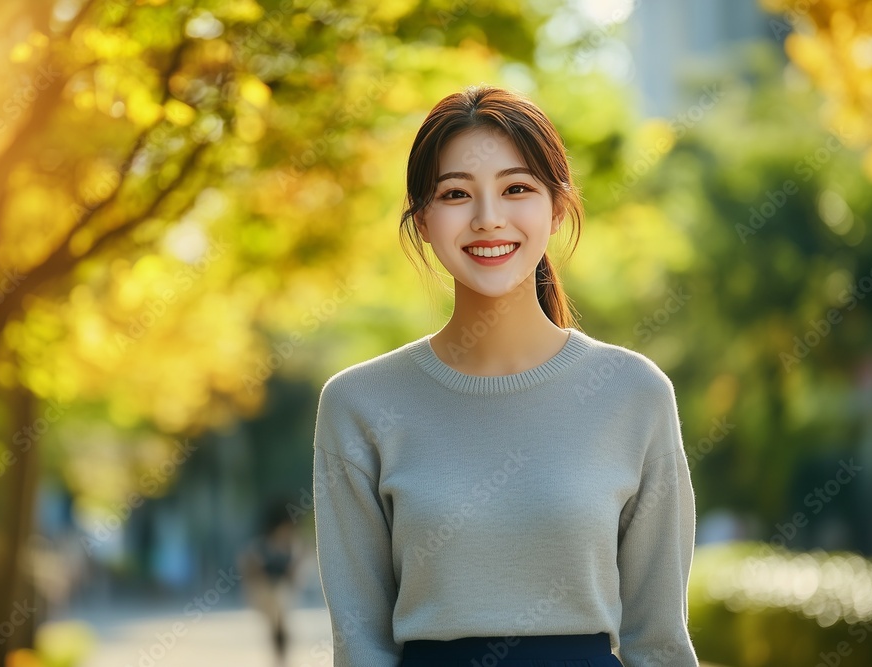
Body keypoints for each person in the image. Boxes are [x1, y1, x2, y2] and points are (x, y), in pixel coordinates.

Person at [311, 85, 699, 667]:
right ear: (421, 220)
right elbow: (360, 645)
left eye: (516, 188)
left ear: (558, 206)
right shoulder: (359, 405)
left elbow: (659, 640)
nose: (488, 219)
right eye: (455, 194)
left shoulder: (634, 393)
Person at [238, 498, 307, 667]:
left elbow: (295, 574)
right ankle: (280, 657)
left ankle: (281, 658)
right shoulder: (260, 547)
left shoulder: (292, 546)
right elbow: (250, 572)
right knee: (276, 623)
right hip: (265, 593)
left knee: (280, 624)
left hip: (280, 594)